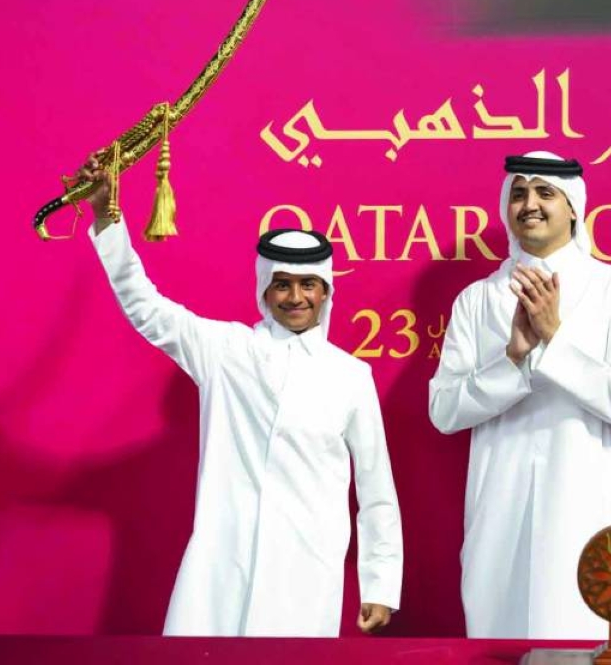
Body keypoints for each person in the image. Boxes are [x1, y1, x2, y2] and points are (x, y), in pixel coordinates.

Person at [77, 155, 402, 637]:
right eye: (283, 285)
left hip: (304, 572)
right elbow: (145, 306)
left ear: (326, 291)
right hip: (219, 565)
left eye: (308, 285)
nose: (295, 297)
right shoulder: (225, 350)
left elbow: (377, 492)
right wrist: (108, 219)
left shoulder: (351, 375)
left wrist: (380, 583)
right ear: (264, 291)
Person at [429, 152, 611, 638]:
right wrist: (512, 359)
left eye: (544, 192)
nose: (529, 204)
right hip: (500, 518)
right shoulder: (477, 299)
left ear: (573, 206)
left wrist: (555, 339)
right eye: (518, 192)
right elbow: (444, 411)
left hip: (591, 514)